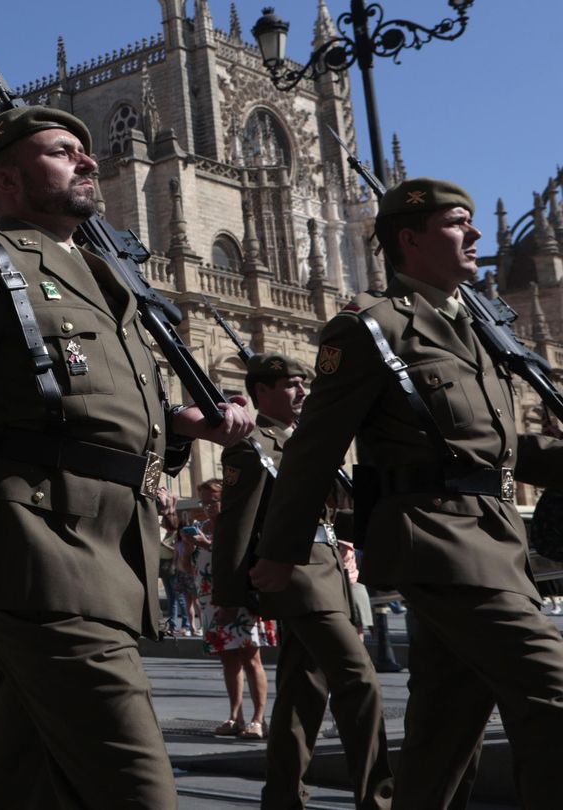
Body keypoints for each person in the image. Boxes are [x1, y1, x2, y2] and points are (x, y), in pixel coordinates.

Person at [0, 106, 254, 809]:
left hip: (112, 549)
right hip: (36, 550)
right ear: (7, 182)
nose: (89, 161)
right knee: (137, 786)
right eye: (63, 151)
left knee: (29, 774)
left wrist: (180, 427)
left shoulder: (105, 277)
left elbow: (88, 411)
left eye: (85, 150)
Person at [252, 177, 563, 810]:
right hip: (439, 543)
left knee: (443, 736)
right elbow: (313, 449)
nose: (475, 233)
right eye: (456, 222)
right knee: (552, 693)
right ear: (410, 240)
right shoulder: (370, 328)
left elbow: (499, 448)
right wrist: (280, 553)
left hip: (499, 544)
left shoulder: (478, 328)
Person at [212, 353, 392, 808]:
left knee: (302, 695)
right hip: (298, 579)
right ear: (261, 391)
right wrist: (229, 595)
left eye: (303, 383)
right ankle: (379, 799)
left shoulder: (307, 440)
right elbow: (236, 522)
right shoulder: (251, 446)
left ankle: (282, 798)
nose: (302, 391)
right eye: (291, 384)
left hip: (329, 574)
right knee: (359, 680)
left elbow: (328, 516)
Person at [183, 479, 277, 738]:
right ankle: (235, 717)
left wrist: (206, 545)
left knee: (251, 659)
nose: (208, 507)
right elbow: (186, 567)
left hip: (239, 599)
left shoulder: (238, 525)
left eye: (213, 501)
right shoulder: (201, 528)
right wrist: (188, 549)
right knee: (228, 661)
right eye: (204, 502)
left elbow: (239, 558)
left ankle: (259, 719)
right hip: (210, 602)